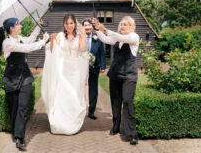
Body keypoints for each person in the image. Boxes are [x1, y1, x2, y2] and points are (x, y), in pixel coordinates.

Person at [0, 18, 49, 150]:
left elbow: (29, 40)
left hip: (24, 75)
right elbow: (27, 48)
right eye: (18, 24)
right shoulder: (7, 43)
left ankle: (20, 137)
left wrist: (38, 26)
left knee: (23, 107)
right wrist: (44, 41)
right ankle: (15, 132)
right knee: (13, 108)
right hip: (12, 77)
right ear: (11, 28)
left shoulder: (19, 37)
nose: (20, 25)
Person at [41, 14, 89, 135]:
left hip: (75, 70)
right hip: (62, 70)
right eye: (67, 23)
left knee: (74, 96)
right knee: (62, 95)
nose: (69, 26)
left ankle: (72, 122)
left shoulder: (80, 36)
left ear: (75, 24)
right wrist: (51, 40)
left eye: (71, 23)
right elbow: (52, 51)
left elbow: (83, 50)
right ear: (64, 24)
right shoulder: (59, 36)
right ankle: (60, 123)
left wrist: (83, 35)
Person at [95, 16, 139, 145]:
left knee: (127, 100)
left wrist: (106, 30)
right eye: (121, 24)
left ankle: (132, 133)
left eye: (125, 24)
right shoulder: (117, 39)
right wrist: (97, 28)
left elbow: (122, 38)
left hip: (129, 76)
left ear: (131, 26)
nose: (122, 26)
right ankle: (115, 127)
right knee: (115, 102)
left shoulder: (133, 37)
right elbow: (104, 39)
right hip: (115, 75)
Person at [82, 18, 106, 120]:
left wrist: (103, 66)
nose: (87, 27)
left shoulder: (98, 37)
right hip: (81, 68)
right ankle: (80, 110)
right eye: (85, 25)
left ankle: (91, 111)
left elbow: (102, 53)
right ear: (82, 27)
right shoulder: (79, 37)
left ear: (92, 27)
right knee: (80, 88)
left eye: (89, 25)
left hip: (94, 67)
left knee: (93, 89)